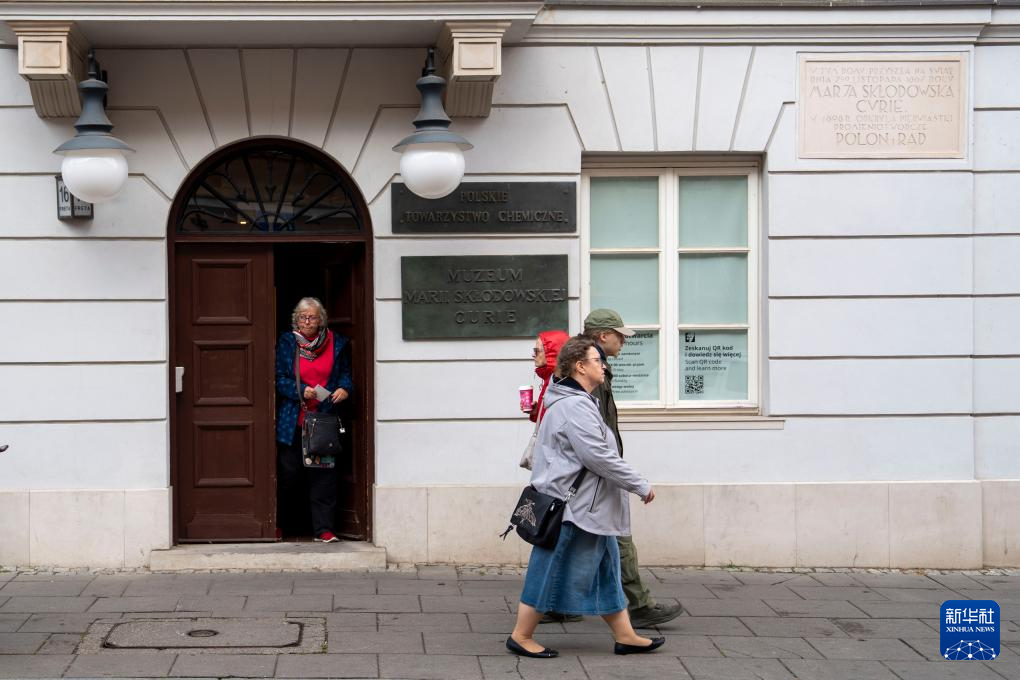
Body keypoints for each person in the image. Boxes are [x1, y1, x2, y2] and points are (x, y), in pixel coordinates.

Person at [506, 336, 666, 659]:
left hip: (589, 509)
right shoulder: (575, 407)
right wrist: (639, 484)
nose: (603, 366)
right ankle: (521, 635)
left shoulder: (578, 401)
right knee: (548, 568)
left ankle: (625, 635)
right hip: (573, 509)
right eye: (597, 361)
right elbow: (598, 456)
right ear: (580, 366)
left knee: (607, 570)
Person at [581, 308, 684, 628]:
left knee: (574, 541)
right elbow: (594, 432)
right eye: (619, 336)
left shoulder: (593, 367)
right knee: (618, 536)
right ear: (603, 336)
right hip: (596, 473)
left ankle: (551, 605)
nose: (623, 342)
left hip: (595, 471)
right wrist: (625, 476)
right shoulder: (591, 372)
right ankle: (638, 606)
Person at [274, 297, 353, 543]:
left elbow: (345, 374)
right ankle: (282, 525)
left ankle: (324, 530)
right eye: (302, 317)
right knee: (289, 475)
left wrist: (344, 389)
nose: (307, 322)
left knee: (324, 477)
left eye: (312, 317)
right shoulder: (288, 342)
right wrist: (301, 390)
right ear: (296, 320)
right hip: (293, 421)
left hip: (323, 422)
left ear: (321, 320)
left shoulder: (336, 343)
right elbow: (278, 378)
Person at [524, 330, 569, 423]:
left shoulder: (559, 383)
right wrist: (536, 411)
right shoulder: (550, 379)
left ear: (553, 352)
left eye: (537, 351)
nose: (533, 355)